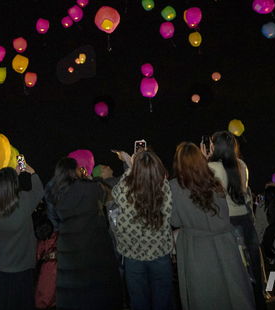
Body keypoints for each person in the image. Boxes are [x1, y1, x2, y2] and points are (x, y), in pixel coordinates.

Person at [170, 141, 255, 310]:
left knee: (205, 296)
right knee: (232, 294)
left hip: (197, 248)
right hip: (225, 244)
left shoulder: (174, 186)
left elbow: (175, 221)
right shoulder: (214, 182)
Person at [45, 157, 122, 310]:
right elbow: (109, 193)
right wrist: (87, 177)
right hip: (93, 248)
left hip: (69, 252)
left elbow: (54, 223)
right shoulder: (90, 189)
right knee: (97, 295)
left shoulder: (55, 195)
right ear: (75, 171)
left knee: (73, 295)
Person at [206, 131, 266, 309]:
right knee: (252, 271)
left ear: (216, 146)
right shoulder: (241, 164)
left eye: (211, 143)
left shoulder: (212, 167)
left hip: (227, 223)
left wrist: (205, 160)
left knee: (234, 275)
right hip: (245, 221)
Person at [111, 150, 175, 310]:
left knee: (139, 301)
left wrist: (131, 167)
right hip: (160, 253)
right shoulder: (165, 186)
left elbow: (114, 193)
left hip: (133, 255)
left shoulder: (125, 188)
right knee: (163, 301)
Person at [0, 162, 44, 310]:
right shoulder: (24, 201)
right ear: (15, 184)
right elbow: (38, 190)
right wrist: (28, 170)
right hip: (22, 270)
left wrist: (11, 177)